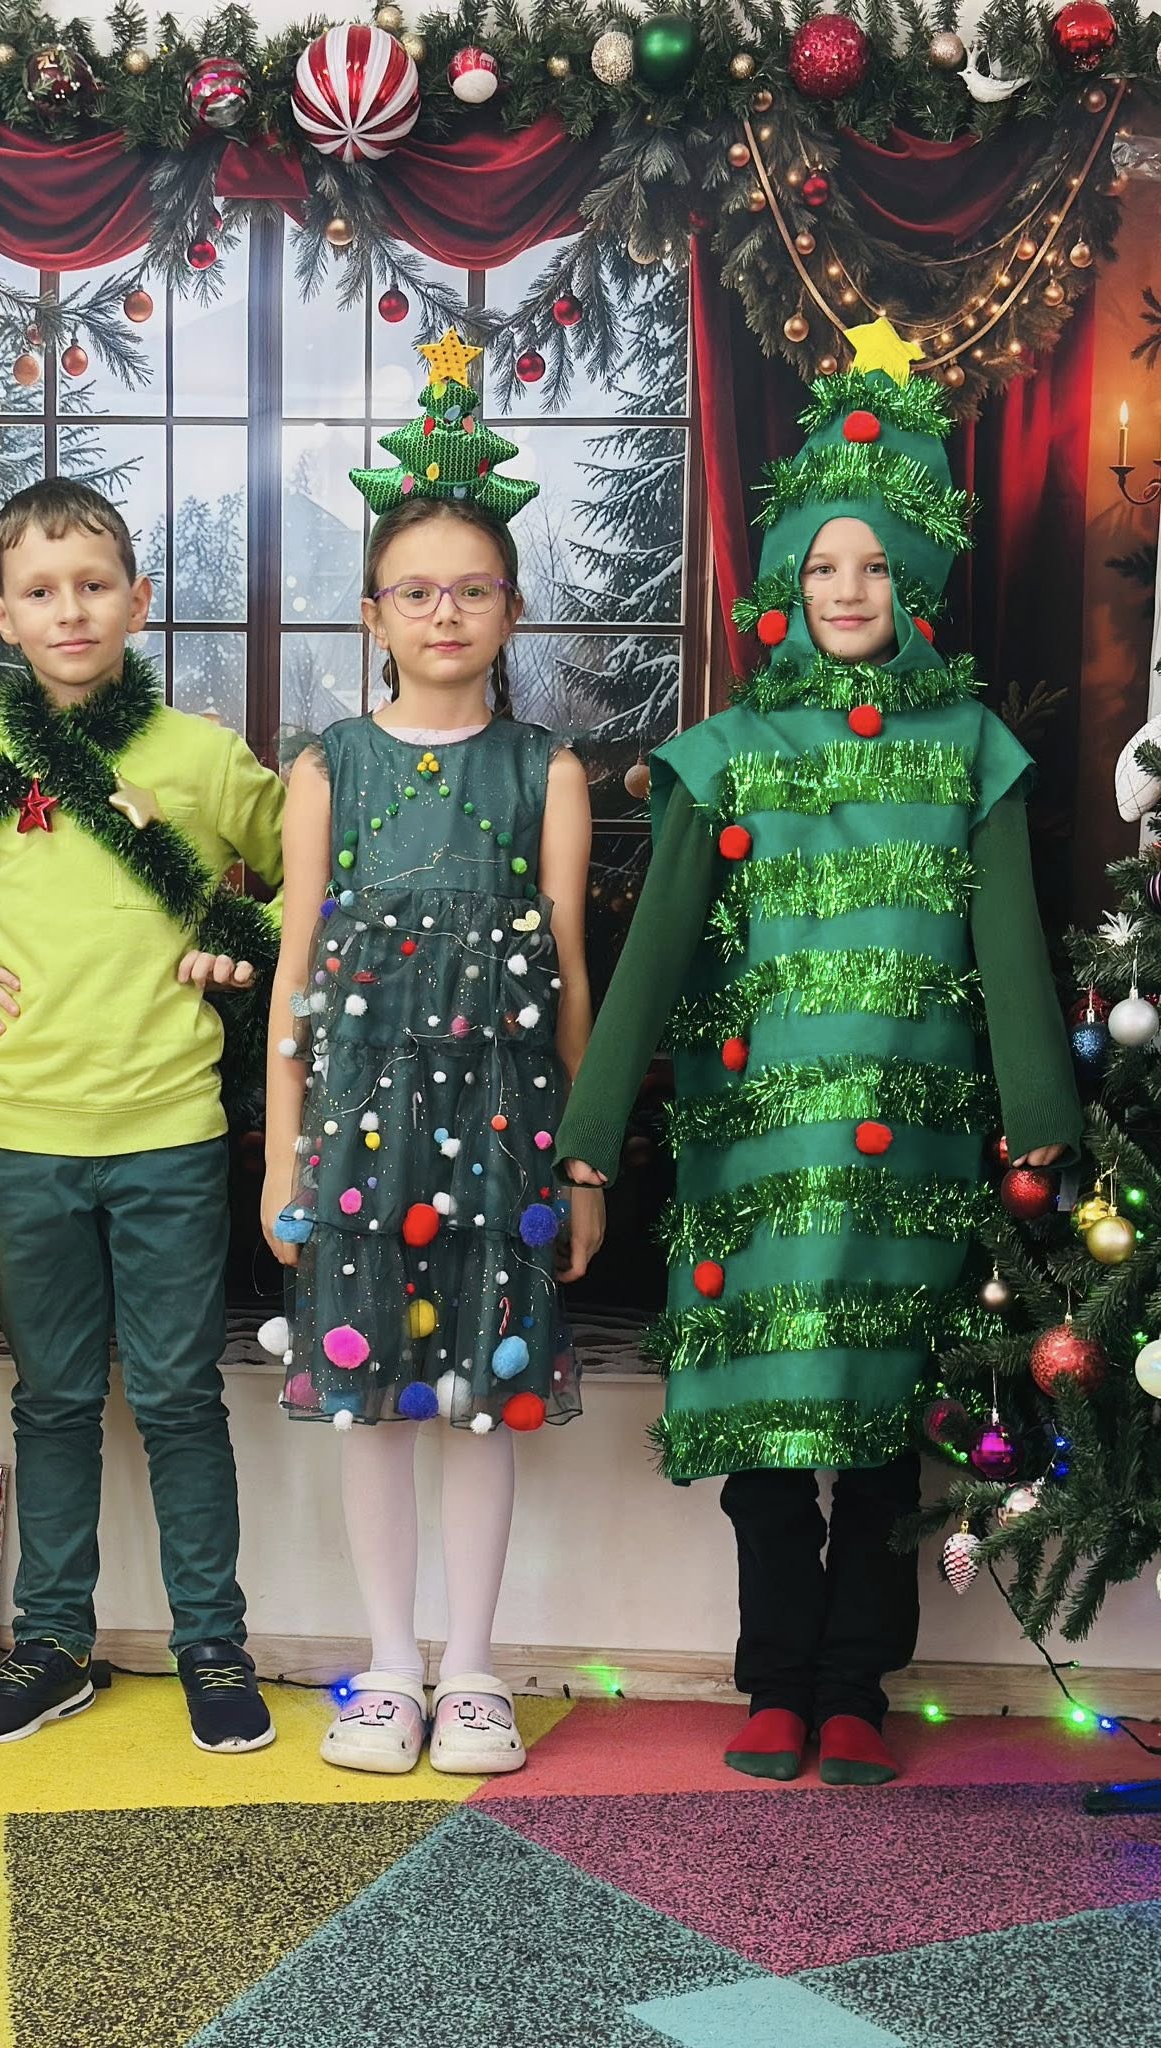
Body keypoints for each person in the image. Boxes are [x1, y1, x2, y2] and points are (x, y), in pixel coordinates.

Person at [557, 324, 1080, 1786]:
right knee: (772, 1425)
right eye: (822, 566)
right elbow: (656, 948)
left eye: (873, 566)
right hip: (760, 1147)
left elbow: (1007, 936)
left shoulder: (969, 746)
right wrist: (591, 1129)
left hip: (915, 1147)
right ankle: (775, 1678)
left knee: (882, 1423)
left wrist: (1037, 1097)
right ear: (787, 583)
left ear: (912, 582)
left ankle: (857, 1684)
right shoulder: (725, 752)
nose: (847, 590)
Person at [264, 331, 601, 1777]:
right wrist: (280, 1153)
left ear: (511, 609)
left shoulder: (548, 771)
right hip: (355, 1136)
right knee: (375, 1406)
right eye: (417, 590)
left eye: (472, 589)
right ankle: (389, 1666)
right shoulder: (327, 765)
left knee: (479, 1403)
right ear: (374, 614)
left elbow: (572, 976)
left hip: (506, 1137)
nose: (445, 611)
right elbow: (295, 973)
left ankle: (472, 1669)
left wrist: (580, 1168)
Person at [0, 477, 285, 1752]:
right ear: (2, 616)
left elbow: (316, 880)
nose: (70, 610)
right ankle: (53, 1644)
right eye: (40, 590)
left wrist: (241, 941)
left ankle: (213, 1643)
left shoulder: (201, 758)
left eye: (93, 584)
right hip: (24, 1137)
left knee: (179, 1396)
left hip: (172, 1131)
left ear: (138, 599)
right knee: (55, 1398)